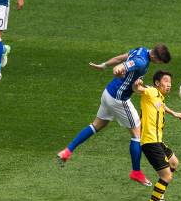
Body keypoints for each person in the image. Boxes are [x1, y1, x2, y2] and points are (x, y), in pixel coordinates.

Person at [57, 44, 172, 187]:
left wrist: (103, 65)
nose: (158, 64)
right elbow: (121, 65)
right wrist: (118, 70)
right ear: (155, 56)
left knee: (96, 125)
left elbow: (120, 57)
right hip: (119, 99)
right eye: (159, 61)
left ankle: (67, 151)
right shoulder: (141, 61)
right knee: (137, 133)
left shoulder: (141, 49)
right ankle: (136, 172)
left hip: (108, 93)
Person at [132, 70, 181, 201]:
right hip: (150, 142)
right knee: (166, 176)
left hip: (158, 141)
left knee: (174, 163)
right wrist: (137, 85)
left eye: (170, 82)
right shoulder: (150, 91)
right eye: (165, 81)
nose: (169, 84)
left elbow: (161, 105)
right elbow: (139, 90)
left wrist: (174, 113)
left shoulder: (158, 96)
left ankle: (160, 196)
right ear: (157, 83)